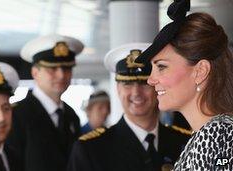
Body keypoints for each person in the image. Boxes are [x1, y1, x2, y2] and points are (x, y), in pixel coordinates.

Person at [135, 0, 233, 170]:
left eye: (161, 67)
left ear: (200, 71)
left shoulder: (217, 134)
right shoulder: (209, 133)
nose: (150, 80)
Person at [67, 43, 190, 171]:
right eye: (127, 84)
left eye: (144, 83)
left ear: (157, 86)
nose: (136, 93)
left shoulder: (185, 142)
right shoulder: (90, 149)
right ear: (118, 89)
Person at [7, 34, 83, 171]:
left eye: (66, 69)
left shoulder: (71, 115)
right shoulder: (17, 114)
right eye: (52, 69)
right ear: (35, 73)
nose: (61, 75)